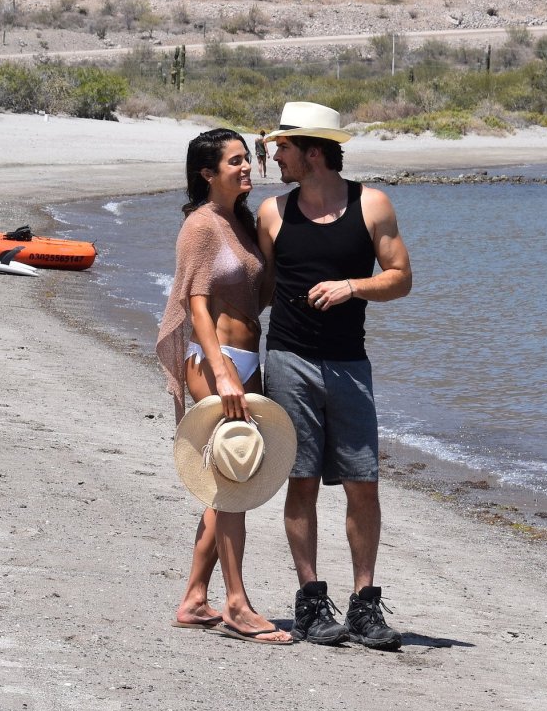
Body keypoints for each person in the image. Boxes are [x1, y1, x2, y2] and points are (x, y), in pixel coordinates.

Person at [257, 101, 413, 650]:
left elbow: (400, 278)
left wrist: (353, 286)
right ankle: (310, 603)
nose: (276, 156)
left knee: (362, 483)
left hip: (350, 364)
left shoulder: (372, 204)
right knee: (300, 481)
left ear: (313, 152)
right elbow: (261, 289)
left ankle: (364, 605)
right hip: (288, 361)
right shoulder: (273, 212)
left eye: (283, 147)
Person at [155, 128, 292, 644]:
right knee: (234, 482)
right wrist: (223, 370)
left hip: (245, 359)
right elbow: (195, 303)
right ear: (207, 173)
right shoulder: (201, 224)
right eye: (234, 161)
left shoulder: (242, 221)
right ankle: (236, 604)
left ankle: (195, 598)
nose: (246, 167)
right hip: (215, 362)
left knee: (227, 480)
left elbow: (262, 294)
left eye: (247, 158)